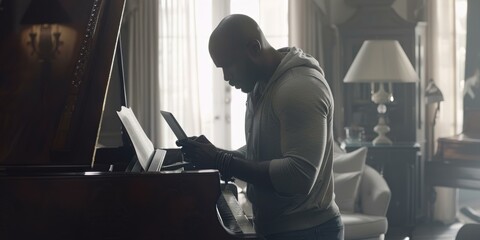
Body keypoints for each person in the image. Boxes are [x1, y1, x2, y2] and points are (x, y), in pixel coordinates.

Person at [176, 14, 343, 240]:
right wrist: (218, 154)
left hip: (308, 232)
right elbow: (267, 149)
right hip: (284, 229)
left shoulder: (298, 88)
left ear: (254, 49)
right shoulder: (262, 84)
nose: (225, 77)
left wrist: (222, 161)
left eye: (229, 66)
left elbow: (299, 176)